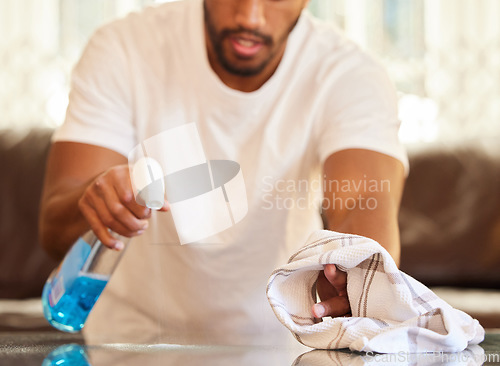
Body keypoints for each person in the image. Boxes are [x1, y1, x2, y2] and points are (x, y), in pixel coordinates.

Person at [39, 0, 407, 346]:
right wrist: (99, 200)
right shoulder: (123, 49)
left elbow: (361, 199)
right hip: (127, 348)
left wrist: (357, 277)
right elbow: (55, 231)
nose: (250, 17)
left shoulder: (348, 74)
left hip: (282, 348)